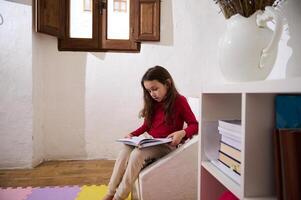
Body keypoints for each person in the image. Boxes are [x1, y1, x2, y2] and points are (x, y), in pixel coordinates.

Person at [103, 65, 198, 200]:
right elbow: (146, 126)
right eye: (148, 91)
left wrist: (182, 132)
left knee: (137, 154)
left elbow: (195, 125)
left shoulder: (180, 101)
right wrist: (132, 134)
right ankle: (110, 192)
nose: (152, 94)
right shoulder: (153, 102)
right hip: (151, 142)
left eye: (155, 89)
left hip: (167, 146)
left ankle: (119, 197)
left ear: (168, 84)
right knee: (125, 149)